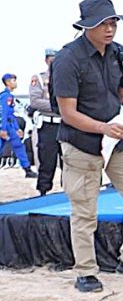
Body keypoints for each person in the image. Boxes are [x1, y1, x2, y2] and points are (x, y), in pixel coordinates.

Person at [51, 0, 123, 293]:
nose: (110, 28)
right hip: (81, 143)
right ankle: (86, 271)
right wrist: (104, 127)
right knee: (85, 209)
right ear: (86, 26)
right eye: (103, 23)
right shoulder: (67, 59)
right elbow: (68, 113)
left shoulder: (119, 54)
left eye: (113, 22)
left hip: (116, 142)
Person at [30, 49, 62, 195]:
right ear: (46, 60)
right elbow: (35, 101)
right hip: (48, 124)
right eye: (51, 59)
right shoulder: (39, 78)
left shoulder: (67, 77)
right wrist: (61, 106)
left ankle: (67, 191)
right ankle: (43, 191)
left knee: (69, 161)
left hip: (67, 123)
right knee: (47, 160)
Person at [0, 74, 37, 178]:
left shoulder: (9, 96)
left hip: (10, 125)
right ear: (7, 82)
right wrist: (3, 129)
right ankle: (27, 169)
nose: (15, 82)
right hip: (6, 126)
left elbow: (11, 115)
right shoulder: (5, 96)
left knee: (19, 147)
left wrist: (17, 128)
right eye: (13, 80)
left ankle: (27, 169)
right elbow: (3, 113)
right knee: (17, 147)